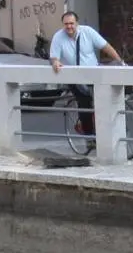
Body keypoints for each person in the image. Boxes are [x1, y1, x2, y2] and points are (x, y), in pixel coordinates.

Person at [49, 11, 124, 152]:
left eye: (71, 23)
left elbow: (105, 46)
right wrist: (55, 62)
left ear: (77, 23)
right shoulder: (58, 37)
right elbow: (54, 57)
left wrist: (120, 61)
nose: (69, 27)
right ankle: (89, 138)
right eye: (66, 24)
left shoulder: (87, 32)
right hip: (74, 76)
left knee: (104, 100)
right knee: (84, 102)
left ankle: (108, 131)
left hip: (93, 73)